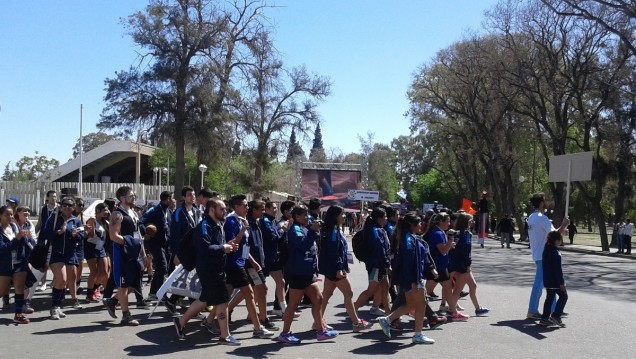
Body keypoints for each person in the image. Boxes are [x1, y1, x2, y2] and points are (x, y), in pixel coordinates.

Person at [172, 198, 241, 345]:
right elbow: (204, 248)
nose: (225, 212)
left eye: (225, 209)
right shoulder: (204, 225)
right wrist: (223, 248)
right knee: (222, 301)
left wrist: (226, 246)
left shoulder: (217, 224)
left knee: (205, 299)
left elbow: (215, 245)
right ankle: (225, 335)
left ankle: (180, 321)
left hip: (216, 268)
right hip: (209, 269)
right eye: (221, 209)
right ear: (211, 210)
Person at [278, 205, 338, 345]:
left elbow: (314, 241)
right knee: (293, 304)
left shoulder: (305, 227)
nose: (308, 217)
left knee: (318, 299)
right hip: (297, 272)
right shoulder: (295, 230)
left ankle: (321, 331)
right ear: (297, 217)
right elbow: (304, 245)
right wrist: (312, 230)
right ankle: (285, 333)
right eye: (304, 215)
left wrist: (315, 229)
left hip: (308, 272)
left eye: (307, 215)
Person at [377, 212, 435, 344]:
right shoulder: (408, 240)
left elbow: (420, 257)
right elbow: (409, 262)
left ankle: (387, 320)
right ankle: (418, 334)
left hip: (411, 278)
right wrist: (414, 281)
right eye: (419, 223)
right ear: (412, 225)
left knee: (412, 304)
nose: (421, 225)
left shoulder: (411, 238)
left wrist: (430, 268)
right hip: (412, 279)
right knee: (420, 305)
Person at [223, 194, 274, 338]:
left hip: (248, 262)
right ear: (237, 207)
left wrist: (256, 261)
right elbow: (234, 244)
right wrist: (252, 261)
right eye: (261, 209)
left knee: (241, 292)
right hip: (240, 264)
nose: (264, 212)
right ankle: (260, 323)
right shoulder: (236, 222)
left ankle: (212, 319)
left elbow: (247, 245)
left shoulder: (250, 222)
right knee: (254, 291)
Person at [319, 205, 373, 332]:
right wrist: (339, 268)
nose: (344, 216)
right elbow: (333, 252)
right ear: (335, 216)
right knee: (348, 294)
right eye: (341, 214)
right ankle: (356, 323)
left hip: (331, 270)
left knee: (326, 295)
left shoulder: (333, 229)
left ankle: (318, 321)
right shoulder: (332, 231)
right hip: (335, 270)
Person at [526, 193, 568, 319]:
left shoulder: (531, 217)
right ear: (541, 203)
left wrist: (561, 231)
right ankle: (532, 310)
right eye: (544, 201)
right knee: (539, 285)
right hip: (544, 255)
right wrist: (564, 224)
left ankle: (554, 309)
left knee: (551, 283)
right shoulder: (542, 218)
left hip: (538, 254)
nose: (546, 203)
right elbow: (554, 235)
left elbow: (549, 233)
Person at [43, 196, 85, 319]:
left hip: (70, 254)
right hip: (56, 254)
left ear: (73, 208)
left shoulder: (76, 221)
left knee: (65, 281)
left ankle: (58, 306)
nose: (67, 207)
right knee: (61, 279)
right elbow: (46, 234)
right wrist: (59, 232)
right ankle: (54, 308)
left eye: (70, 205)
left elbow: (82, 236)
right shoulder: (54, 219)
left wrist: (74, 235)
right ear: (61, 207)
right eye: (64, 205)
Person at [424, 212, 467, 320]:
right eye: (447, 221)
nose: (449, 223)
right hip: (436, 267)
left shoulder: (440, 232)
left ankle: (454, 313)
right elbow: (442, 250)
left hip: (442, 267)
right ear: (440, 222)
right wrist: (450, 241)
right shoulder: (437, 234)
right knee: (423, 292)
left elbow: (444, 248)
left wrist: (449, 244)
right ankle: (411, 308)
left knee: (448, 290)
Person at [448, 212, 490, 317]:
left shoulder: (463, 234)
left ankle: (478, 308)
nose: (473, 222)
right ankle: (451, 310)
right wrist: (466, 265)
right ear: (466, 222)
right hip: (463, 266)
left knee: (473, 286)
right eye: (471, 220)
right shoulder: (463, 235)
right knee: (458, 290)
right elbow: (464, 251)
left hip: (464, 265)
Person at [353, 207, 391, 317]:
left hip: (380, 265)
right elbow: (379, 249)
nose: (386, 219)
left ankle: (389, 315)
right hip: (376, 265)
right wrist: (387, 265)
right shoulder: (375, 231)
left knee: (385, 287)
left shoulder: (378, 230)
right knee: (371, 290)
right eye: (385, 217)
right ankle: (353, 309)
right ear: (379, 219)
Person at [0, 205, 34, 324]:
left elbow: (24, 243)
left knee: (19, 288)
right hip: (4, 264)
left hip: (19, 262)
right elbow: (2, 249)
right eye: (7, 214)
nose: (10, 216)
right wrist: (16, 240)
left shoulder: (14, 226)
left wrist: (25, 237)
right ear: (1, 215)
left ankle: (18, 314)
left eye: (11, 214)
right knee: (2, 291)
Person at [139, 191, 173, 302]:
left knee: (163, 268)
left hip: (166, 244)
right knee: (162, 267)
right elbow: (141, 221)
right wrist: (145, 233)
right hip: (155, 244)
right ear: (168, 198)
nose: (172, 201)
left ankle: (155, 292)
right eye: (171, 198)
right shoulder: (154, 210)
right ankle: (157, 293)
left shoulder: (168, 211)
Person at [539, 231, 568, 327]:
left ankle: (544, 318)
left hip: (548, 280)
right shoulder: (556, 253)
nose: (561, 242)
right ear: (556, 241)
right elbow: (558, 270)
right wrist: (561, 283)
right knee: (564, 296)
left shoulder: (546, 250)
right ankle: (556, 316)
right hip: (555, 281)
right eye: (560, 240)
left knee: (549, 299)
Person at [84, 203, 111, 302]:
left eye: (107, 210)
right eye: (104, 210)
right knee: (94, 272)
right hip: (91, 248)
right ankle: (89, 294)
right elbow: (90, 235)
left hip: (101, 248)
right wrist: (89, 230)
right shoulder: (92, 221)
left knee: (104, 272)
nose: (106, 212)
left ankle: (94, 287)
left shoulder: (106, 222)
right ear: (98, 211)